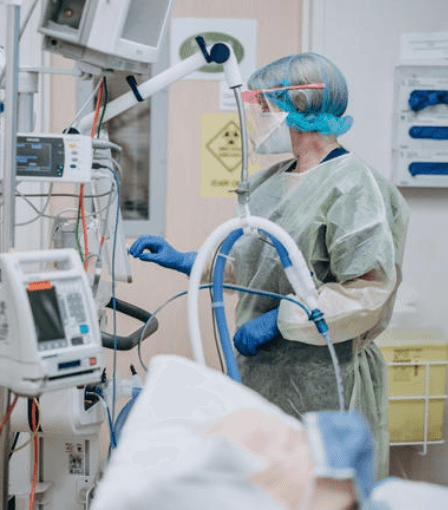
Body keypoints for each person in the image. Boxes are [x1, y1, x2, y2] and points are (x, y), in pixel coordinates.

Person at [128, 52, 408, 476]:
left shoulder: (353, 186)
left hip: (323, 378)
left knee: (315, 487)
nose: (259, 117)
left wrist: (281, 319)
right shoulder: (271, 183)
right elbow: (253, 265)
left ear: (297, 105)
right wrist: (190, 260)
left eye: (265, 107)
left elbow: (366, 292)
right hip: (262, 375)